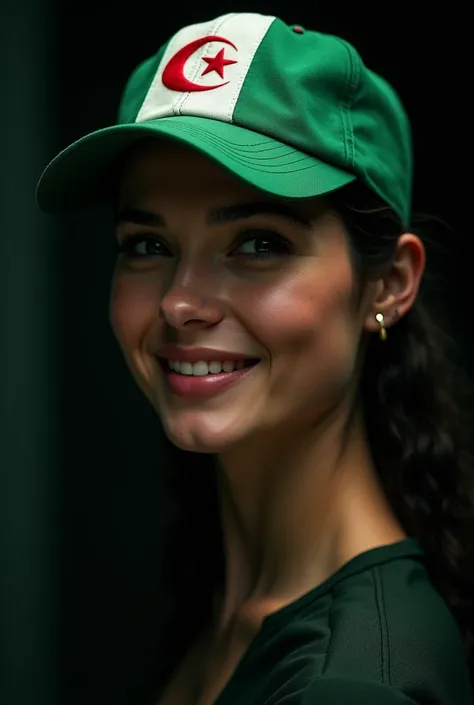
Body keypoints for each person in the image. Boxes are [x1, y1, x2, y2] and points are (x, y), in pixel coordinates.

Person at [36, 11, 474, 705]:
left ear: (388, 285)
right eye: (148, 245)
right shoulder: (226, 600)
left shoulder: (352, 683)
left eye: (259, 242)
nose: (181, 301)